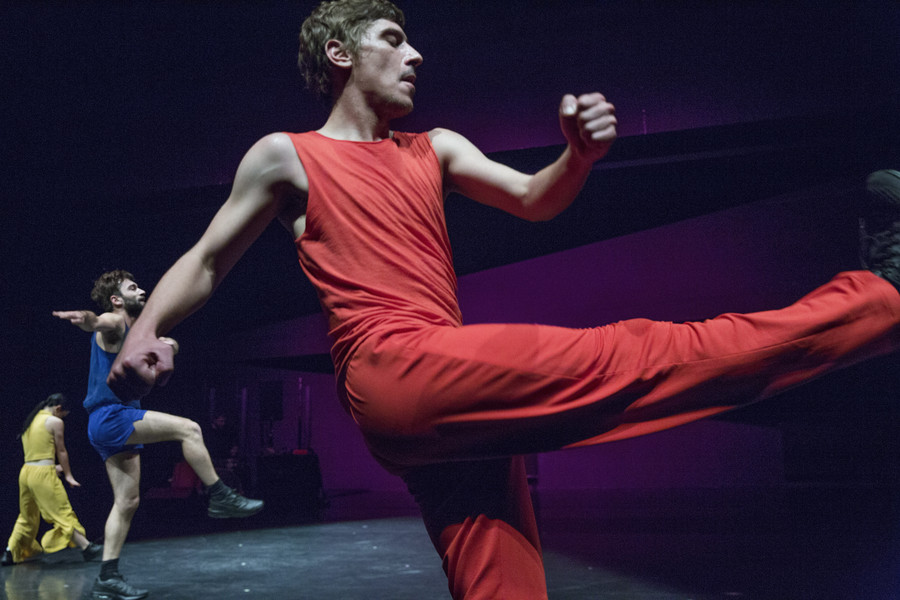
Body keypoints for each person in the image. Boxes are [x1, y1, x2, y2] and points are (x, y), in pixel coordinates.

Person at [107, 1, 900, 598]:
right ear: (340, 53)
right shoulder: (288, 154)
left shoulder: (436, 148)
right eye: (394, 38)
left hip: (447, 400)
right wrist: (147, 328)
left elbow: (533, 198)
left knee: (501, 577)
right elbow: (208, 258)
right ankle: (881, 300)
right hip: (394, 369)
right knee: (645, 353)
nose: (416, 54)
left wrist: (576, 158)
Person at [55, 269, 263, 600]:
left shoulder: (138, 331)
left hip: (107, 422)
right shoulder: (115, 322)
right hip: (113, 416)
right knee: (189, 429)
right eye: (133, 287)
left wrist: (168, 346)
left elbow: (164, 348)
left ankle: (107, 577)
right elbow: (98, 322)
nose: (142, 291)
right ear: (116, 299)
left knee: (127, 502)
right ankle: (220, 495)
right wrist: (87, 320)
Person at [2, 393, 102, 567]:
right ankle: (87, 547)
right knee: (61, 511)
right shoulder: (54, 422)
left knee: (26, 516)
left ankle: (10, 552)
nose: (62, 418)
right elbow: (61, 451)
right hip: (42, 475)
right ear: (58, 409)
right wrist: (68, 475)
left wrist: (51, 467)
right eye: (63, 415)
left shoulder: (31, 420)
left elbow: (36, 455)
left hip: (26, 473)